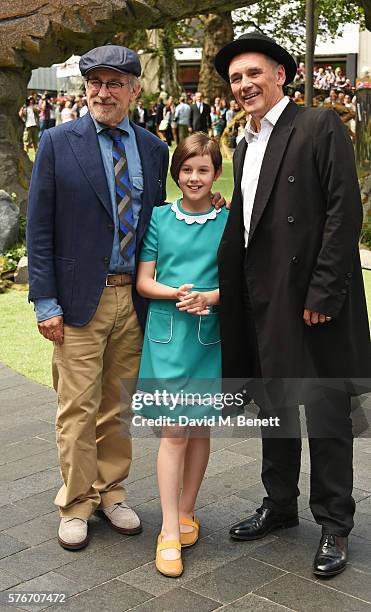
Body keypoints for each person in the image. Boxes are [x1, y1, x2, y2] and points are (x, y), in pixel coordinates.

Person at [214, 31, 371, 578]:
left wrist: (325, 292)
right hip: (266, 298)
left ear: (281, 74)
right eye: (235, 78)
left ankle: (334, 524)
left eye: (253, 73)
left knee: (327, 413)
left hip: (315, 300)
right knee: (275, 407)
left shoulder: (319, 124)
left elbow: (342, 212)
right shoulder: (244, 142)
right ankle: (279, 505)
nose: (244, 85)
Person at [27, 44, 169, 551]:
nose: (102, 92)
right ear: (85, 88)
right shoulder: (57, 142)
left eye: (114, 83)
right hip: (78, 301)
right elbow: (39, 228)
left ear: (135, 89)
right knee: (77, 408)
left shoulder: (153, 149)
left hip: (133, 299)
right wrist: (46, 303)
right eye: (95, 83)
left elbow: (158, 222)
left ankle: (111, 492)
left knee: (117, 407)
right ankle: (76, 503)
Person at [135, 133, 228, 577]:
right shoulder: (157, 218)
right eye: (187, 169)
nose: (194, 177)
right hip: (167, 338)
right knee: (174, 433)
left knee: (199, 428)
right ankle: (168, 530)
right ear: (177, 173)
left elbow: (242, 284)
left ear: (215, 175)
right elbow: (144, 282)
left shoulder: (229, 222)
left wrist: (210, 297)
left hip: (208, 336)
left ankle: (188, 511)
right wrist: (178, 294)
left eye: (203, 170)